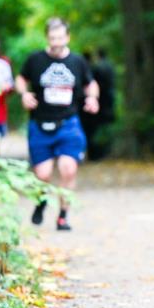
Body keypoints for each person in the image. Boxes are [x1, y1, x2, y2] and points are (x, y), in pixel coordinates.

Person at [16, 18, 99, 231]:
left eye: (60, 38)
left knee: (68, 170)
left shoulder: (77, 61)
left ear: (67, 37)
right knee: (43, 175)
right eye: (53, 38)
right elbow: (21, 79)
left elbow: (91, 84)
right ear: (47, 38)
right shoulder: (35, 59)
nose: (56, 42)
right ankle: (42, 200)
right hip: (40, 124)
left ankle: (63, 216)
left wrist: (92, 98)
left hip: (68, 124)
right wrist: (24, 94)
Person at [80, 48, 116, 161]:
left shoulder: (93, 69)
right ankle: (101, 152)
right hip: (106, 104)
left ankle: (94, 154)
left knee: (91, 130)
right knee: (100, 129)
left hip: (93, 106)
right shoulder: (110, 67)